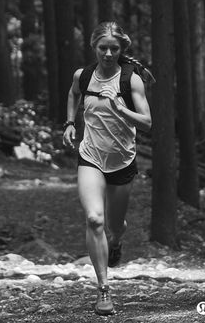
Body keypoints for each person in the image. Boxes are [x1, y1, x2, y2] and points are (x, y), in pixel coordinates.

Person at [63, 21, 152, 315]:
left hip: (122, 161)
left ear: (121, 49)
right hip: (91, 157)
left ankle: (116, 241)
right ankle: (103, 290)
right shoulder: (84, 76)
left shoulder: (131, 80)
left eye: (114, 48)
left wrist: (120, 108)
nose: (109, 54)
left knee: (114, 226)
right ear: (94, 47)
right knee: (94, 219)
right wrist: (69, 123)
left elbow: (147, 122)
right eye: (103, 48)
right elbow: (74, 93)